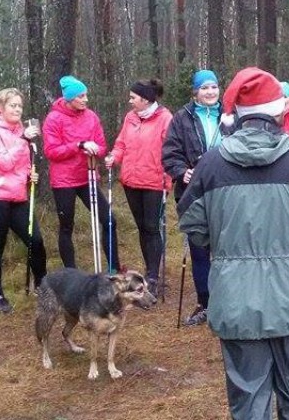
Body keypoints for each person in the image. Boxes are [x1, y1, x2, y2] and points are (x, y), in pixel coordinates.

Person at [178, 67, 289, 420]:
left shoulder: (211, 164)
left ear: (234, 114)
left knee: (249, 407)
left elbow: (192, 226)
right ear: (278, 112)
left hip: (236, 304)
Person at [162, 69, 231, 326]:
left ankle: (230, 298)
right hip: (194, 193)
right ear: (195, 92)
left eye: (214, 87)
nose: (210, 92)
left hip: (227, 190)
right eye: (204, 88)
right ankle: (206, 303)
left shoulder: (230, 116)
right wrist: (182, 171)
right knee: (200, 250)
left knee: (228, 248)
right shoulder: (181, 118)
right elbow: (170, 153)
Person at [0, 88, 47, 314]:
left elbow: (21, 163)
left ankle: (43, 287)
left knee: (36, 240)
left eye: (20, 106)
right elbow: (3, 163)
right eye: (12, 105)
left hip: (16, 196)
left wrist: (28, 175)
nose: (17, 109)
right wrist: (22, 140)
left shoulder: (21, 131)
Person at [43, 75, 120, 271]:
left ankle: (114, 268)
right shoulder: (53, 119)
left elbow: (102, 147)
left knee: (109, 219)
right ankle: (71, 272)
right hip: (64, 181)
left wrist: (95, 150)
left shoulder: (91, 116)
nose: (85, 99)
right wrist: (78, 145)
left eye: (86, 95)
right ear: (69, 99)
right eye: (81, 96)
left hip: (88, 176)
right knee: (67, 226)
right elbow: (51, 151)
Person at [105, 79, 172, 295]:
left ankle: (153, 275)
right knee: (142, 227)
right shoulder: (130, 117)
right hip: (131, 181)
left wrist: (168, 175)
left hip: (155, 182)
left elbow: (171, 149)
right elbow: (121, 144)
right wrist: (114, 157)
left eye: (133, 97)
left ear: (145, 99)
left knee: (152, 228)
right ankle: (149, 269)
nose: (130, 100)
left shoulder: (165, 118)